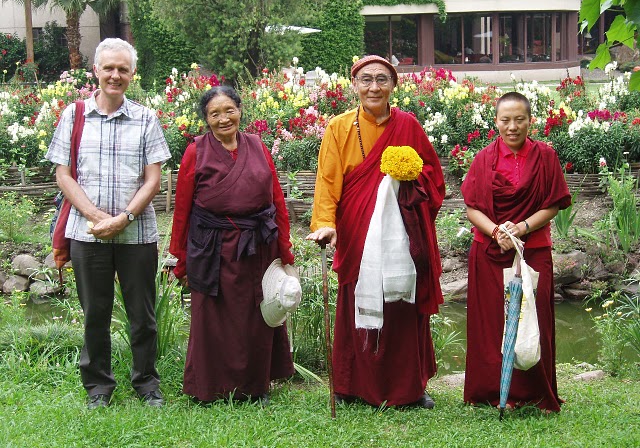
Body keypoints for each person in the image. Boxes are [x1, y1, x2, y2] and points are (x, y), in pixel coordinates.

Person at [307, 55, 445, 408]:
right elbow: (328, 181)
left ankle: (409, 387)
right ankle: (351, 385)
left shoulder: (408, 125)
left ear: (393, 85)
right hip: (358, 230)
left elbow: (434, 176)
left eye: (382, 79)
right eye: (366, 79)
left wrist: (410, 177)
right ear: (354, 85)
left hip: (403, 232)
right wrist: (325, 224)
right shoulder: (339, 127)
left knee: (403, 302)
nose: (374, 87)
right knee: (357, 299)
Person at [46, 38, 171, 409]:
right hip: (87, 234)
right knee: (95, 314)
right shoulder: (74, 116)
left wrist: (124, 218)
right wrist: (96, 216)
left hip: (138, 234)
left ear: (133, 74)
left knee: (143, 315)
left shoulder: (146, 118)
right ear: (96, 71)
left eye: (123, 69)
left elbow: (153, 180)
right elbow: (63, 175)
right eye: (109, 68)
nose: (115, 75)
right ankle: (98, 386)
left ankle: (147, 383)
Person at [169, 86, 295, 404]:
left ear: (240, 110)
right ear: (206, 119)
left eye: (229, 110)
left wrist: (284, 246)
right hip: (212, 248)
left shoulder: (257, 146)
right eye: (215, 114)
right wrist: (181, 259)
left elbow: (276, 199)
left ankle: (256, 386)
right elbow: (182, 210)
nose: (224, 119)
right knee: (212, 319)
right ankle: (210, 388)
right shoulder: (196, 152)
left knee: (255, 318)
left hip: (258, 246)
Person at [461, 91, 571, 413]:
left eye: (519, 120)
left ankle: (535, 392)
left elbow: (553, 204)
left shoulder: (545, 157)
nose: (512, 127)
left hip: (532, 249)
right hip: (489, 250)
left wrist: (520, 228)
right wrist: (497, 232)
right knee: (491, 322)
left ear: (529, 121)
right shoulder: (484, 159)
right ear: (496, 121)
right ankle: (493, 392)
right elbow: (472, 208)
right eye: (505, 120)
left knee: (534, 319)